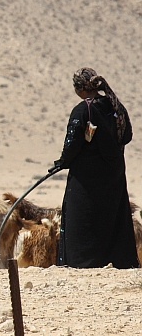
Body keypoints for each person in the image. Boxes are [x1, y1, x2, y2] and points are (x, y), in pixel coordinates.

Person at [51, 67, 138, 268]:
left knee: (83, 221)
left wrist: (62, 162)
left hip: (86, 182)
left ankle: (82, 263)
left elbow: (72, 144)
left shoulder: (83, 110)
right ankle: (118, 262)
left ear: (79, 88)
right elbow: (127, 137)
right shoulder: (115, 108)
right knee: (113, 219)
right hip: (114, 178)